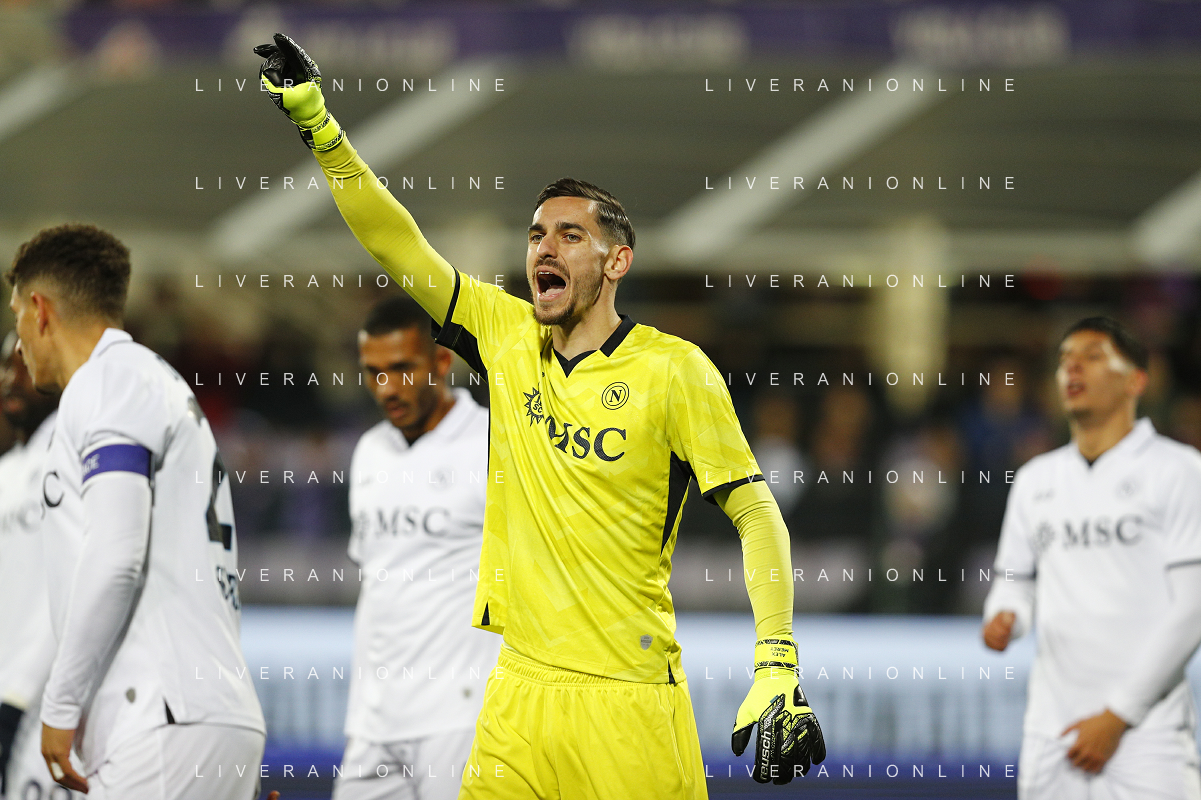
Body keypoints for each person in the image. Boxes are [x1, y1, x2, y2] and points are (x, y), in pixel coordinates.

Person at [253, 34, 825, 798]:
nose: (542, 248)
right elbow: (397, 245)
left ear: (615, 262)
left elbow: (756, 513)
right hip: (516, 695)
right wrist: (319, 126)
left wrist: (777, 660)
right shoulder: (505, 335)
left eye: (568, 234)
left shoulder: (673, 370)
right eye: (534, 235)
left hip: (627, 700)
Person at [6, 224, 267, 799]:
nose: (18, 342)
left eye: (16, 316)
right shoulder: (157, 383)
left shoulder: (108, 382)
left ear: (40, 310)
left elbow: (117, 553)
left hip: (159, 714)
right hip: (197, 712)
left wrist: (59, 706)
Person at [982, 316, 1201, 799]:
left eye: (1093, 357)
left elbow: (1193, 608)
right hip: (1051, 729)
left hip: (1147, 733)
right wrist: (1007, 616)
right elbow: (1013, 580)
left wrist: (1118, 715)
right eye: (1064, 360)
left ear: (1136, 381)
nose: (1073, 369)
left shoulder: (1179, 471)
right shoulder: (1036, 480)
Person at [336, 296, 499, 800]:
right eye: (374, 372)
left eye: (403, 368)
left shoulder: (494, 442)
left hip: (460, 717)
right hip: (372, 721)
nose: (387, 387)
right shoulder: (369, 452)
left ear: (442, 361)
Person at [0, 332, 82, 799]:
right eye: (4, 367)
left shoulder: (74, 455)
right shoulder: (6, 473)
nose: (11, 379)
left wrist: (19, 698)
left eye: (23, 364)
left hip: (54, 710)